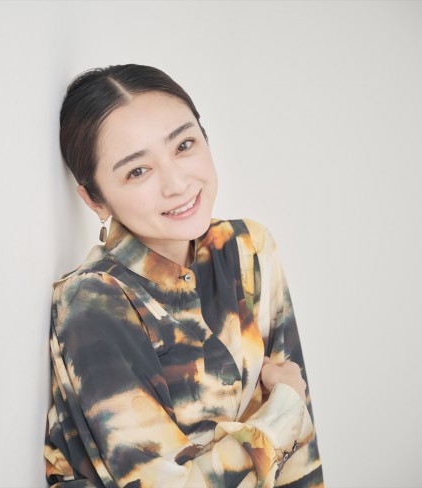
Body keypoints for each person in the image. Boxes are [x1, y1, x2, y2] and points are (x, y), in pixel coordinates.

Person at [44, 64, 323, 487]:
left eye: (184, 144)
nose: (176, 183)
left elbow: (301, 461)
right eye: (138, 171)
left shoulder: (248, 247)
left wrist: (289, 413)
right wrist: (285, 408)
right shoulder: (94, 302)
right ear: (95, 200)